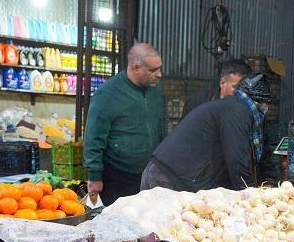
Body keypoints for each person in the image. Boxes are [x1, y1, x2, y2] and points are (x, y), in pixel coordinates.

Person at [140, 73, 268, 191]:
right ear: (261, 102)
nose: (267, 108)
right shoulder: (237, 112)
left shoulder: (232, 106)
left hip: (166, 172)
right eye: (267, 103)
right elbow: (237, 161)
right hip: (168, 178)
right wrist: (250, 193)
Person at [83, 43, 166, 205]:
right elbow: (93, 137)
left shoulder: (155, 91)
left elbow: (161, 125)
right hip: (117, 175)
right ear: (136, 67)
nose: (159, 74)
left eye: (159, 68)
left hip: (148, 172)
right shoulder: (108, 94)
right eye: (153, 70)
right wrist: (94, 176)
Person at [183, 59, 249, 115]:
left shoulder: (248, 107)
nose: (242, 93)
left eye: (245, 88)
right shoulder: (197, 103)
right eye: (236, 87)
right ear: (222, 83)